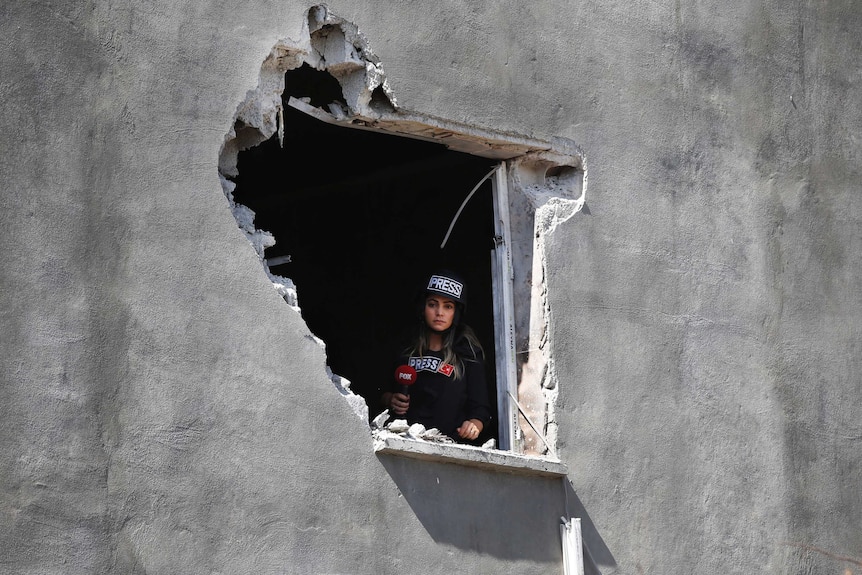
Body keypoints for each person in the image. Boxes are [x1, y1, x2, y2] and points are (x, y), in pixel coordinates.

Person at [381, 271, 491, 443]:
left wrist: (474, 425)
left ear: (456, 312)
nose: (439, 312)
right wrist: (390, 399)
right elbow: (379, 389)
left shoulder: (468, 353)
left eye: (448, 306)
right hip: (404, 444)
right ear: (422, 307)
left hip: (450, 448)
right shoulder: (405, 346)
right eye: (433, 304)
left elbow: (481, 408)